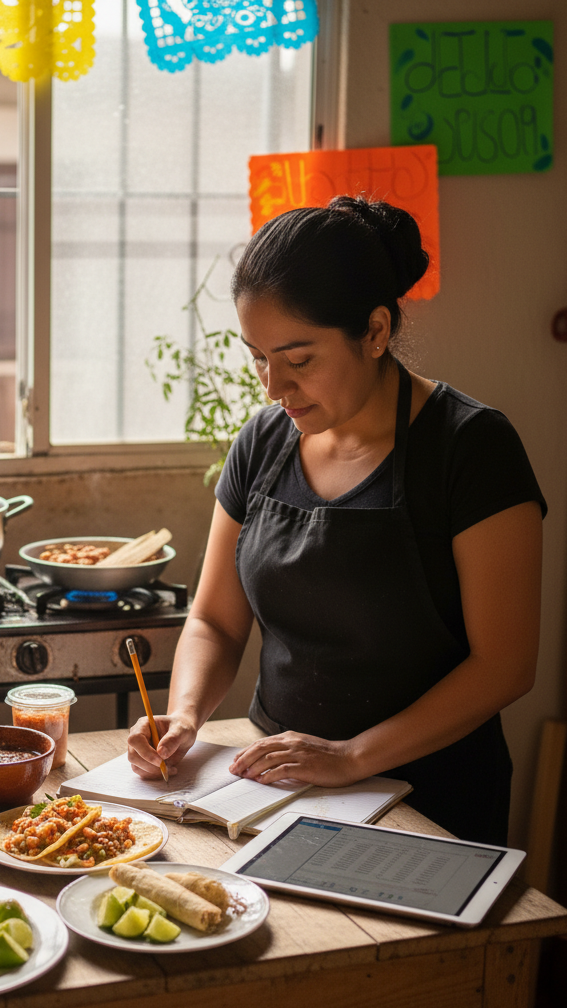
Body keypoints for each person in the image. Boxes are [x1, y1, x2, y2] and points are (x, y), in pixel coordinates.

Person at [127, 196, 545, 846]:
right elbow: (214, 620)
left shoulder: (470, 449)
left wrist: (350, 757)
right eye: (257, 357)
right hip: (277, 788)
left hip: (431, 802)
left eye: (298, 360)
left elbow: (504, 664)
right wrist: (183, 715)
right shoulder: (263, 441)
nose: (272, 387)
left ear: (374, 332)